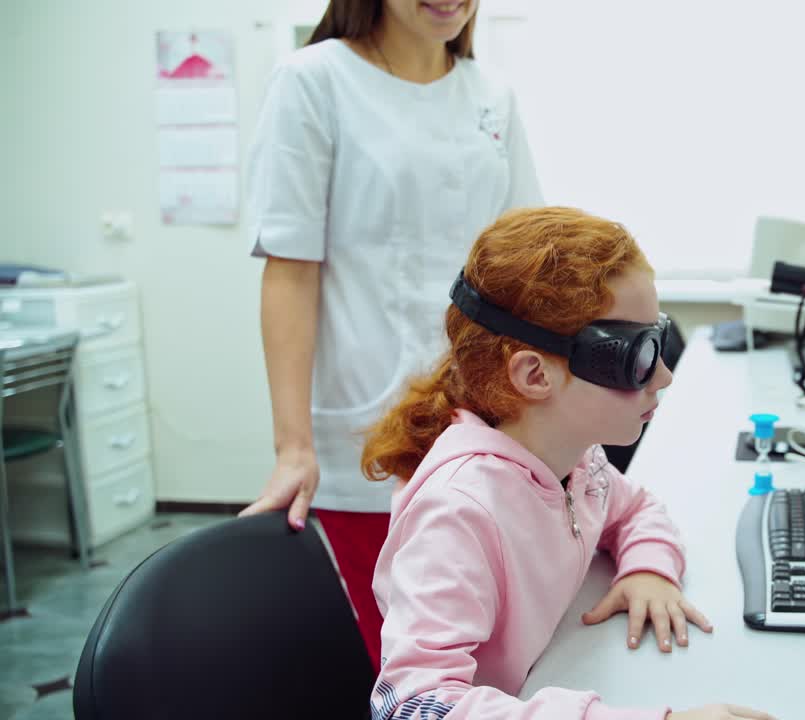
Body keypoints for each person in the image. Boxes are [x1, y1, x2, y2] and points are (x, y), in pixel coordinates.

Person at [363, 207, 775, 720]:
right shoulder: (458, 513)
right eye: (637, 356)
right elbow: (410, 705)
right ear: (535, 375)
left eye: (660, 339)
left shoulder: (574, 458)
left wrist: (648, 570)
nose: (664, 376)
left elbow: (635, 509)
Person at [240, 0, 542, 670]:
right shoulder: (313, 80)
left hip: (485, 427)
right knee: (412, 672)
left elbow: (523, 259)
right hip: (370, 431)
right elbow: (290, 270)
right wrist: (293, 447)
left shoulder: (491, 96)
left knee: (497, 660)